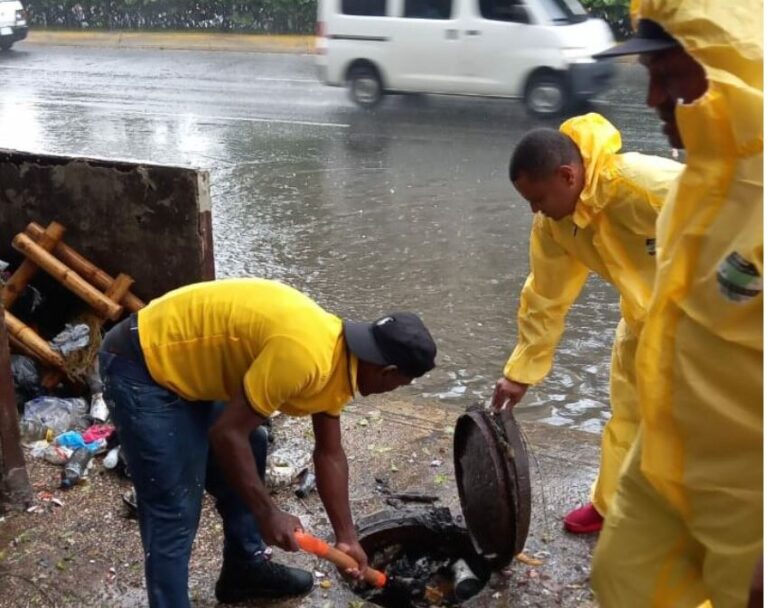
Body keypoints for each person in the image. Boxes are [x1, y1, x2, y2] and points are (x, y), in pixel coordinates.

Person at [98, 278, 437, 608]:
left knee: (254, 445)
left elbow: (329, 452)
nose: (398, 388)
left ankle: (243, 570)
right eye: (403, 383)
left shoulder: (343, 361)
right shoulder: (306, 355)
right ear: (387, 371)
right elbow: (227, 434)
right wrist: (268, 514)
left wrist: (347, 537)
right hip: (142, 362)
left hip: (189, 368)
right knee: (174, 506)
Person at [590, 1, 763, 606]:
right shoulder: (698, 181)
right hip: (667, 463)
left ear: (727, 71)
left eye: (669, 76)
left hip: (749, 498)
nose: (651, 100)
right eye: (649, 77)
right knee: (621, 579)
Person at [491, 112, 682, 533]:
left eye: (538, 198)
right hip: (642, 322)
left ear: (567, 176)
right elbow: (546, 296)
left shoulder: (644, 186)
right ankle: (611, 504)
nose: (534, 211)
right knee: (628, 417)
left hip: (709, 324)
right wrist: (520, 373)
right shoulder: (553, 226)